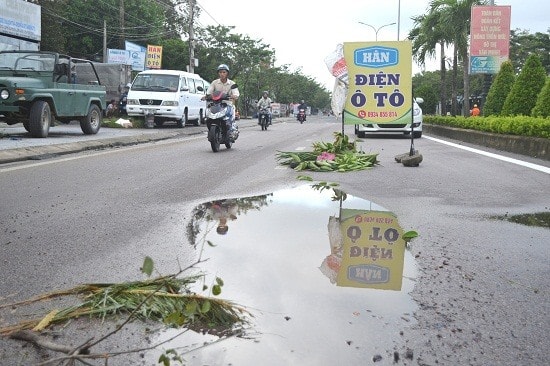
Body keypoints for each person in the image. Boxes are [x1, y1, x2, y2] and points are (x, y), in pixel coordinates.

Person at [203, 64, 240, 140]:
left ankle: (231, 130)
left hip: (228, 104)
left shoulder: (232, 83)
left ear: (227, 73)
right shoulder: (214, 83)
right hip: (216, 104)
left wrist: (234, 95)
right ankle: (211, 131)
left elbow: (236, 93)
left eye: (224, 72)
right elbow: (209, 92)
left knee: (229, 118)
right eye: (220, 72)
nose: (222, 74)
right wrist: (206, 96)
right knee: (208, 117)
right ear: (218, 73)